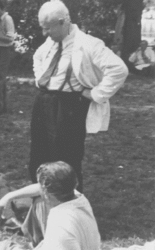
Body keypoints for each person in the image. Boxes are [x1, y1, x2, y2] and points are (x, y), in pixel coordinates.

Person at [29, 1, 128, 192]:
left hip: (69, 107)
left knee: (66, 158)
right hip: (43, 102)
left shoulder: (88, 44)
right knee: (39, 154)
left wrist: (95, 94)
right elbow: (38, 57)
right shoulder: (51, 41)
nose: (44, 34)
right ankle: (41, 199)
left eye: (47, 29)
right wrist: (40, 77)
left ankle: (71, 204)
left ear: (62, 22)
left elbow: (119, 69)